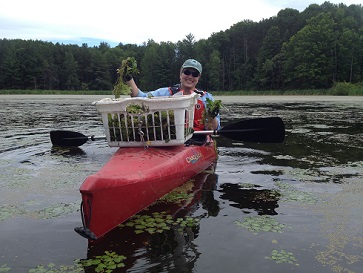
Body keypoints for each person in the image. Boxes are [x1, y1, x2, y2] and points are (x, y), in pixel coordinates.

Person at [124, 59, 220, 132]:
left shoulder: (207, 98)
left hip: (198, 140)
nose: (190, 76)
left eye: (195, 74)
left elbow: (213, 128)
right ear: (180, 74)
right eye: (187, 72)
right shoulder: (164, 93)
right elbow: (139, 98)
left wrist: (212, 116)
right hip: (171, 138)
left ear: (198, 78)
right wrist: (128, 78)